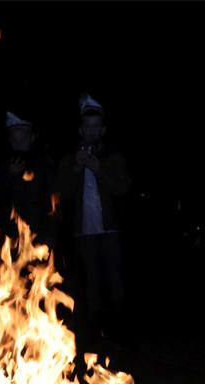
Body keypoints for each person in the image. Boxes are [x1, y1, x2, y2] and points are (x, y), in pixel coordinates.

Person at [57, 94, 131, 346]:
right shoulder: (70, 159)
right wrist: (77, 168)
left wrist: (99, 169)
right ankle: (94, 338)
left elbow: (123, 188)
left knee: (116, 284)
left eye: (96, 126)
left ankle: (119, 336)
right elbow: (62, 193)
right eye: (87, 127)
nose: (91, 131)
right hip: (83, 233)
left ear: (103, 129)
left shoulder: (114, 157)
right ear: (81, 130)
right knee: (90, 286)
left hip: (111, 231)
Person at [0, 111, 56, 247]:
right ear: (10, 140)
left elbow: (52, 200)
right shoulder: (2, 166)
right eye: (15, 140)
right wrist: (9, 175)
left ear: (32, 137)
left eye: (23, 139)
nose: (19, 143)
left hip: (39, 233)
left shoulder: (44, 164)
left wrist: (50, 233)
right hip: (11, 235)